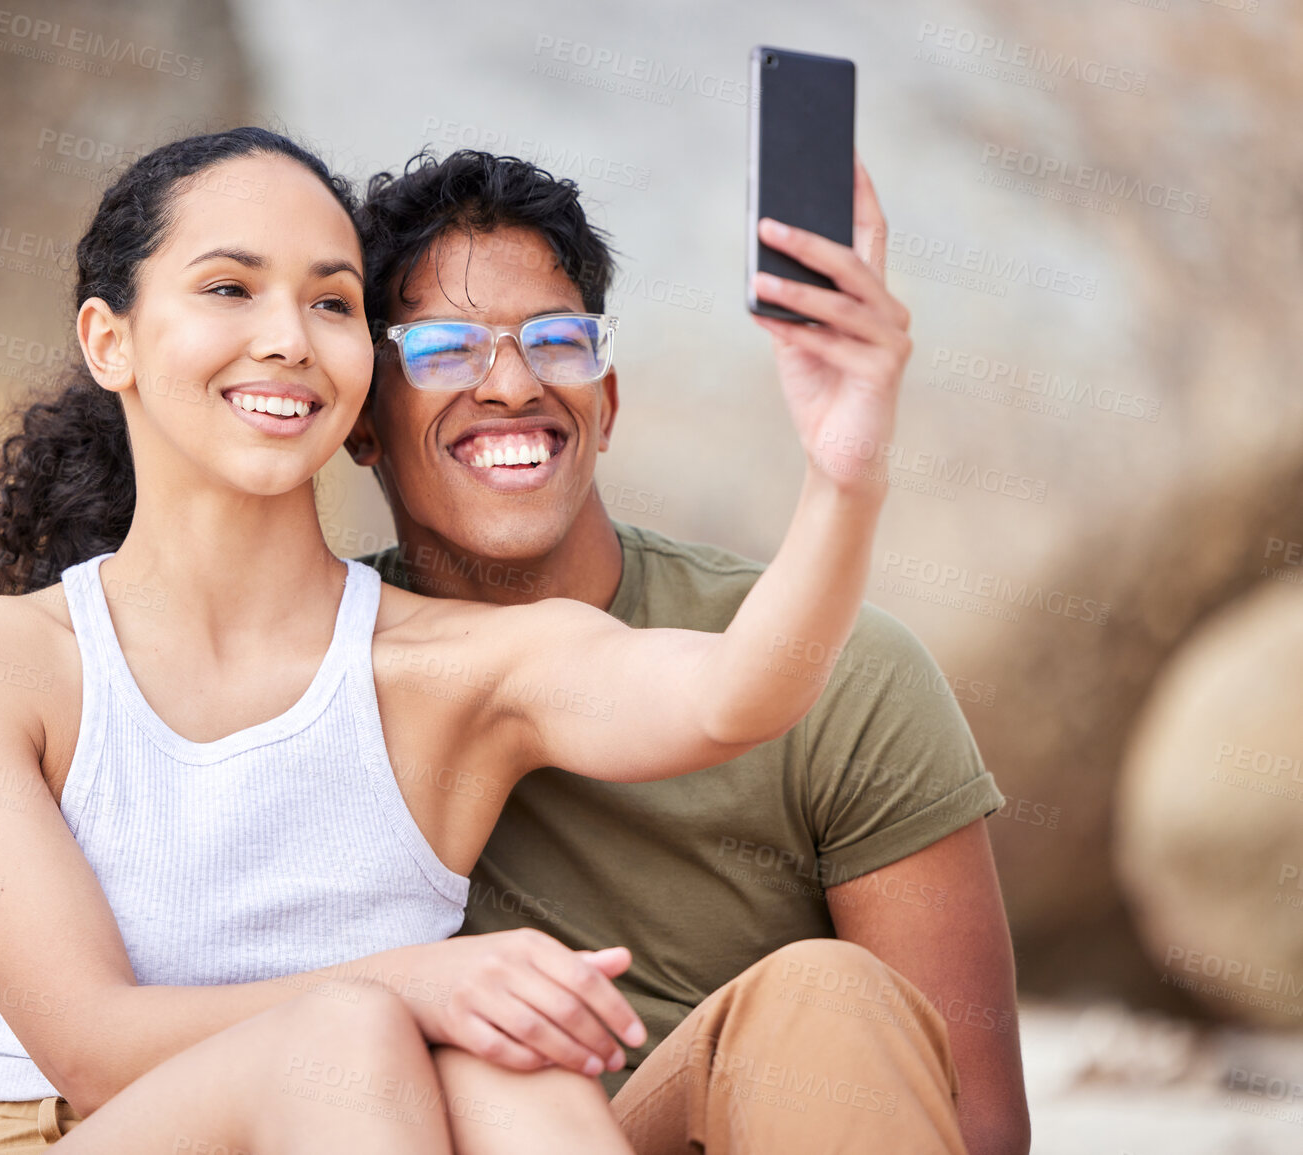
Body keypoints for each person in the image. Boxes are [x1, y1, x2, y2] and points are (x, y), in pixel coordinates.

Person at [0, 125, 896, 1155]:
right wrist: (412, 984)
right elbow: (90, 1045)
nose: (286, 337)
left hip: (365, 1122)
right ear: (111, 340)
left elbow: (735, 691)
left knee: (514, 1076)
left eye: (330, 303)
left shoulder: (447, 668)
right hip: (73, 1131)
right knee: (355, 1036)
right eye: (230, 288)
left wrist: (843, 473)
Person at [343, 148, 1031, 1154]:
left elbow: (976, 1121)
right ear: (362, 421)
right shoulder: (317, 671)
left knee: (823, 992)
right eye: (445, 348)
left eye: (559, 342)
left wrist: (847, 475)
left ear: (608, 403)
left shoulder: (837, 668)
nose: (512, 385)